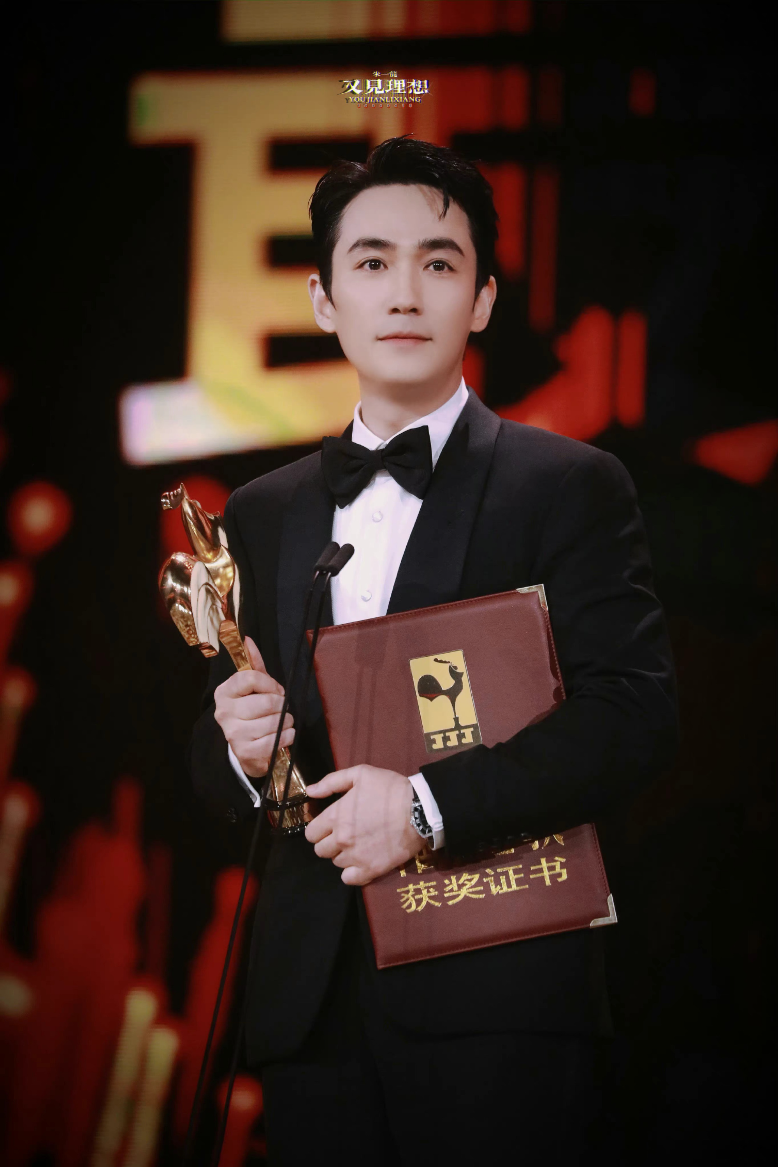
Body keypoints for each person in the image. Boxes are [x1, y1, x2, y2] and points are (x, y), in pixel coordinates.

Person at [189, 136, 678, 1164]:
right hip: (311, 1011)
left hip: (497, 994)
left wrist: (422, 808)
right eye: (371, 262)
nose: (404, 292)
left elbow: (631, 716)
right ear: (324, 300)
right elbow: (216, 751)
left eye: (439, 263)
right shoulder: (263, 512)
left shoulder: (567, 485)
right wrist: (238, 749)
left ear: (483, 299)